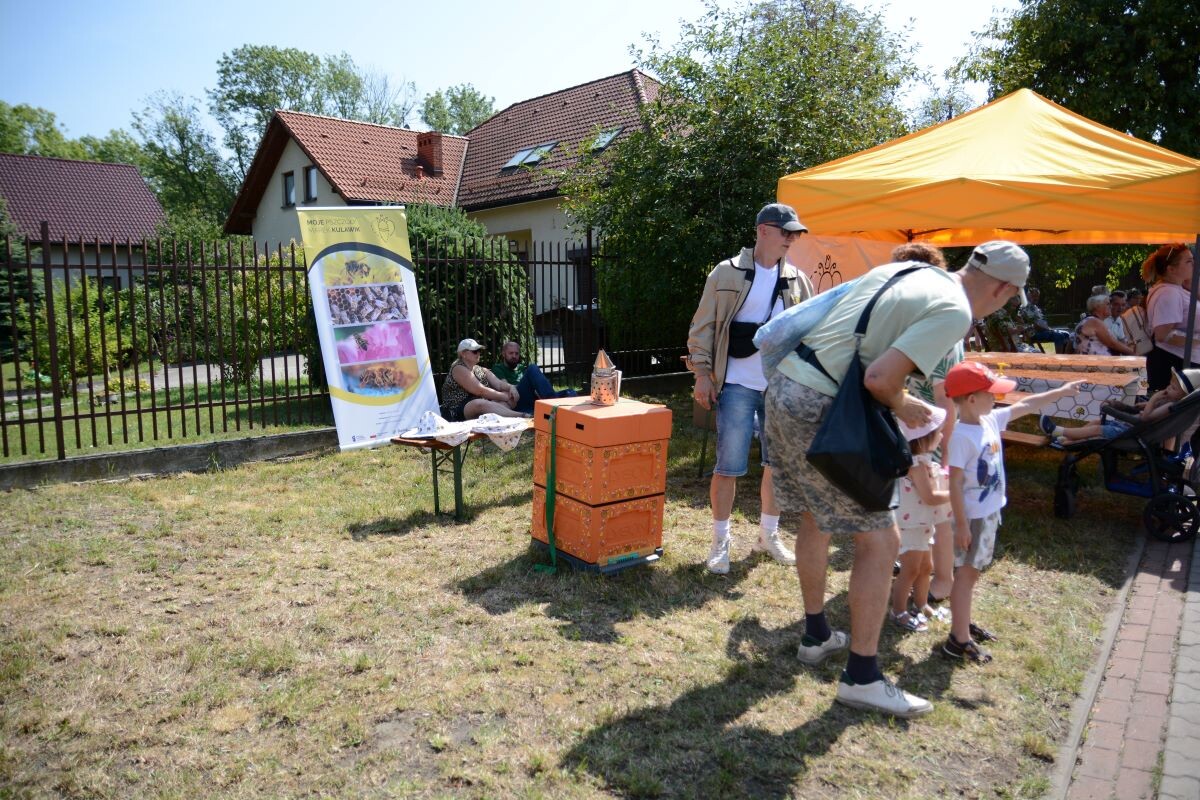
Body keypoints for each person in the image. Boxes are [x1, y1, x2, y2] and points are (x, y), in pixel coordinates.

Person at [763, 239, 1030, 718]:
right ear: (1004, 290)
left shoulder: (902, 273)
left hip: (784, 388)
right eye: (1010, 297)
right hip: (827, 408)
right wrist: (912, 408)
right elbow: (880, 380)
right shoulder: (953, 310)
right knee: (881, 541)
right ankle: (862, 677)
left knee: (817, 515)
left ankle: (817, 635)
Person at [687, 202, 815, 574]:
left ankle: (768, 535)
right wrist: (701, 374)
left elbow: (808, 334)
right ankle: (720, 541)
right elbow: (703, 327)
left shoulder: (798, 279)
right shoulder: (726, 273)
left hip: (779, 389)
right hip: (737, 385)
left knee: (776, 465)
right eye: (785, 231)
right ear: (762, 231)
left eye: (795, 233)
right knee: (728, 467)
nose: (791, 239)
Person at [942, 361, 1083, 663]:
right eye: (991, 393)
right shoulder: (960, 437)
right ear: (970, 399)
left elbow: (1029, 403)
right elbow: (953, 484)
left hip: (988, 513)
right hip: (974, 519)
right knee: (966, 575)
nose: (997, 398)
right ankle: (958, 639)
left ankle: (962, 623)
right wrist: (963, 525)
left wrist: (1062, 391)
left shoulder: (990, 420)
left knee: (972, 573)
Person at [890, 401, 952, 633]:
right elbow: (930, 496)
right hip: (910, 525)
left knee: (926, 567)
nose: (942, 434)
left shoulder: (924, 462)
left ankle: (921, 603)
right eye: (938, 432)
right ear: (923, 438)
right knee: (911, 569)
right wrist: (956, 493)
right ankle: (898, 610)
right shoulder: (915, 466)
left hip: (922, 523)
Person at [1039, 367, 1195, 442]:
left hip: (1133, 432)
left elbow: (1146, 417)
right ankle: (1069, 440)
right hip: (1133, 428)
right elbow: (1146, 411)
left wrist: (1153, 399)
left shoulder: (1170, 407)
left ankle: (1056, 430)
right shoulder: (1170, 403)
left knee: (1097, 429)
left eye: (1173, 388)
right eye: (1169, 384)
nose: (1168, 388)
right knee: (1096, 422)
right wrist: (1146, 404)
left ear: (1184, 395)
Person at [1144, 243, 1199, 391]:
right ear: (1171, 269)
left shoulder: (1176, 289)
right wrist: (1196, 341)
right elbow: (1163, 335)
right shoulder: (1169, 293)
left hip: (1183, 361)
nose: (1194, 264)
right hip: (1175, 363)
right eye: (1188, 261)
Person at [439, 338, 529, 421]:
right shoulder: (458, 368)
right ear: (463, 354)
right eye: (475, 351)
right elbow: (480, 391)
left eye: (479, 351)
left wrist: (511, 387)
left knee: (501, 400)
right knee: (480, 403)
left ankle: (497, 419)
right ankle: (521, 416)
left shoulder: (481, 369)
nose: (478, 353)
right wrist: (506, 397)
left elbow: (499, 384)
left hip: (481, 405)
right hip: (456, 410)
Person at [491, 341, 576, 413]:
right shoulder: (498, 368)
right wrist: (529, 386)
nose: (514, 356)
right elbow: (506, 387)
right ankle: (552, 403)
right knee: (532, 368)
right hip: (517, 401)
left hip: (532, 399)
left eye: (516, 353)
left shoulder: (522, 368)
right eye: (511, 353)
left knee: (570, 392)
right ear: (503, 354)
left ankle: (553, 405)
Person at [1018, 287, 1072, 352]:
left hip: (1043, 331)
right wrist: (1048, 329)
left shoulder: (1034, 307)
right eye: (1034, 296)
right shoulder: (1025, 307)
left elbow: (1041, 322)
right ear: (1028, 296)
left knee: (1067, 334)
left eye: (1037, 296)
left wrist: (1048, 329)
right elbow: (1035, 326)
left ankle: (1065, 357)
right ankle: (1058, 359)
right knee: (1058, 335)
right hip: (1034, 333)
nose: (1036, 298)